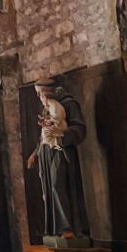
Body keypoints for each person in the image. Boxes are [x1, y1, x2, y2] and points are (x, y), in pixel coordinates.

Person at [30, 78, 87, 239]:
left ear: (49, 91)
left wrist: (61, 134)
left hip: (62, 150)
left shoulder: (68, 104)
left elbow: (80, 129)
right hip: (46, 151)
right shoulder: (47, 104)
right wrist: (35, 153)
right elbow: (44, 133)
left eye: (40, 92)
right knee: (48, 189)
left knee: (58, 185)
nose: (39, 96)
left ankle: (68, 227)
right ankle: (57, 229)